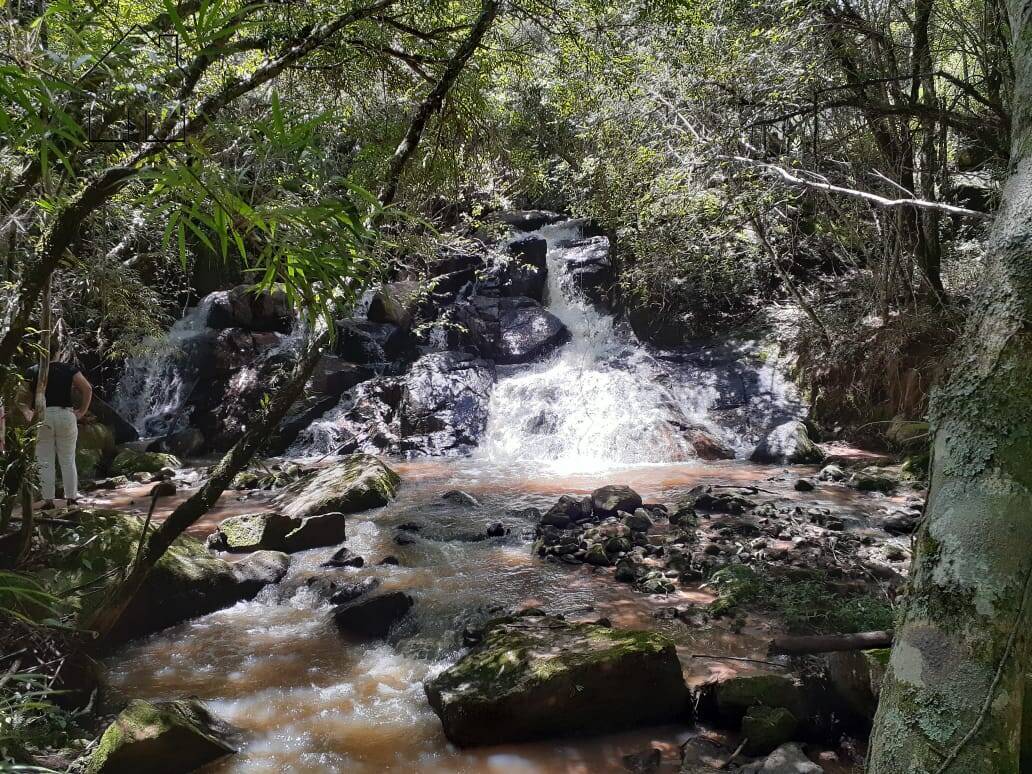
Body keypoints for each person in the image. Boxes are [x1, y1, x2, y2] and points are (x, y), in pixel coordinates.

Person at [25, 360, 92, 509]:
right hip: (65, 414)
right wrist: (82, 411)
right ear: (58, 351)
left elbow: (23, 396)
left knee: (44, 460)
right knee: (68, 459)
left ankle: (48, 501)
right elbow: (87, 388)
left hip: (43, 415)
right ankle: (72, 499)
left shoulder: (34, 370)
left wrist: (28, 413)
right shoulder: (68, 368)